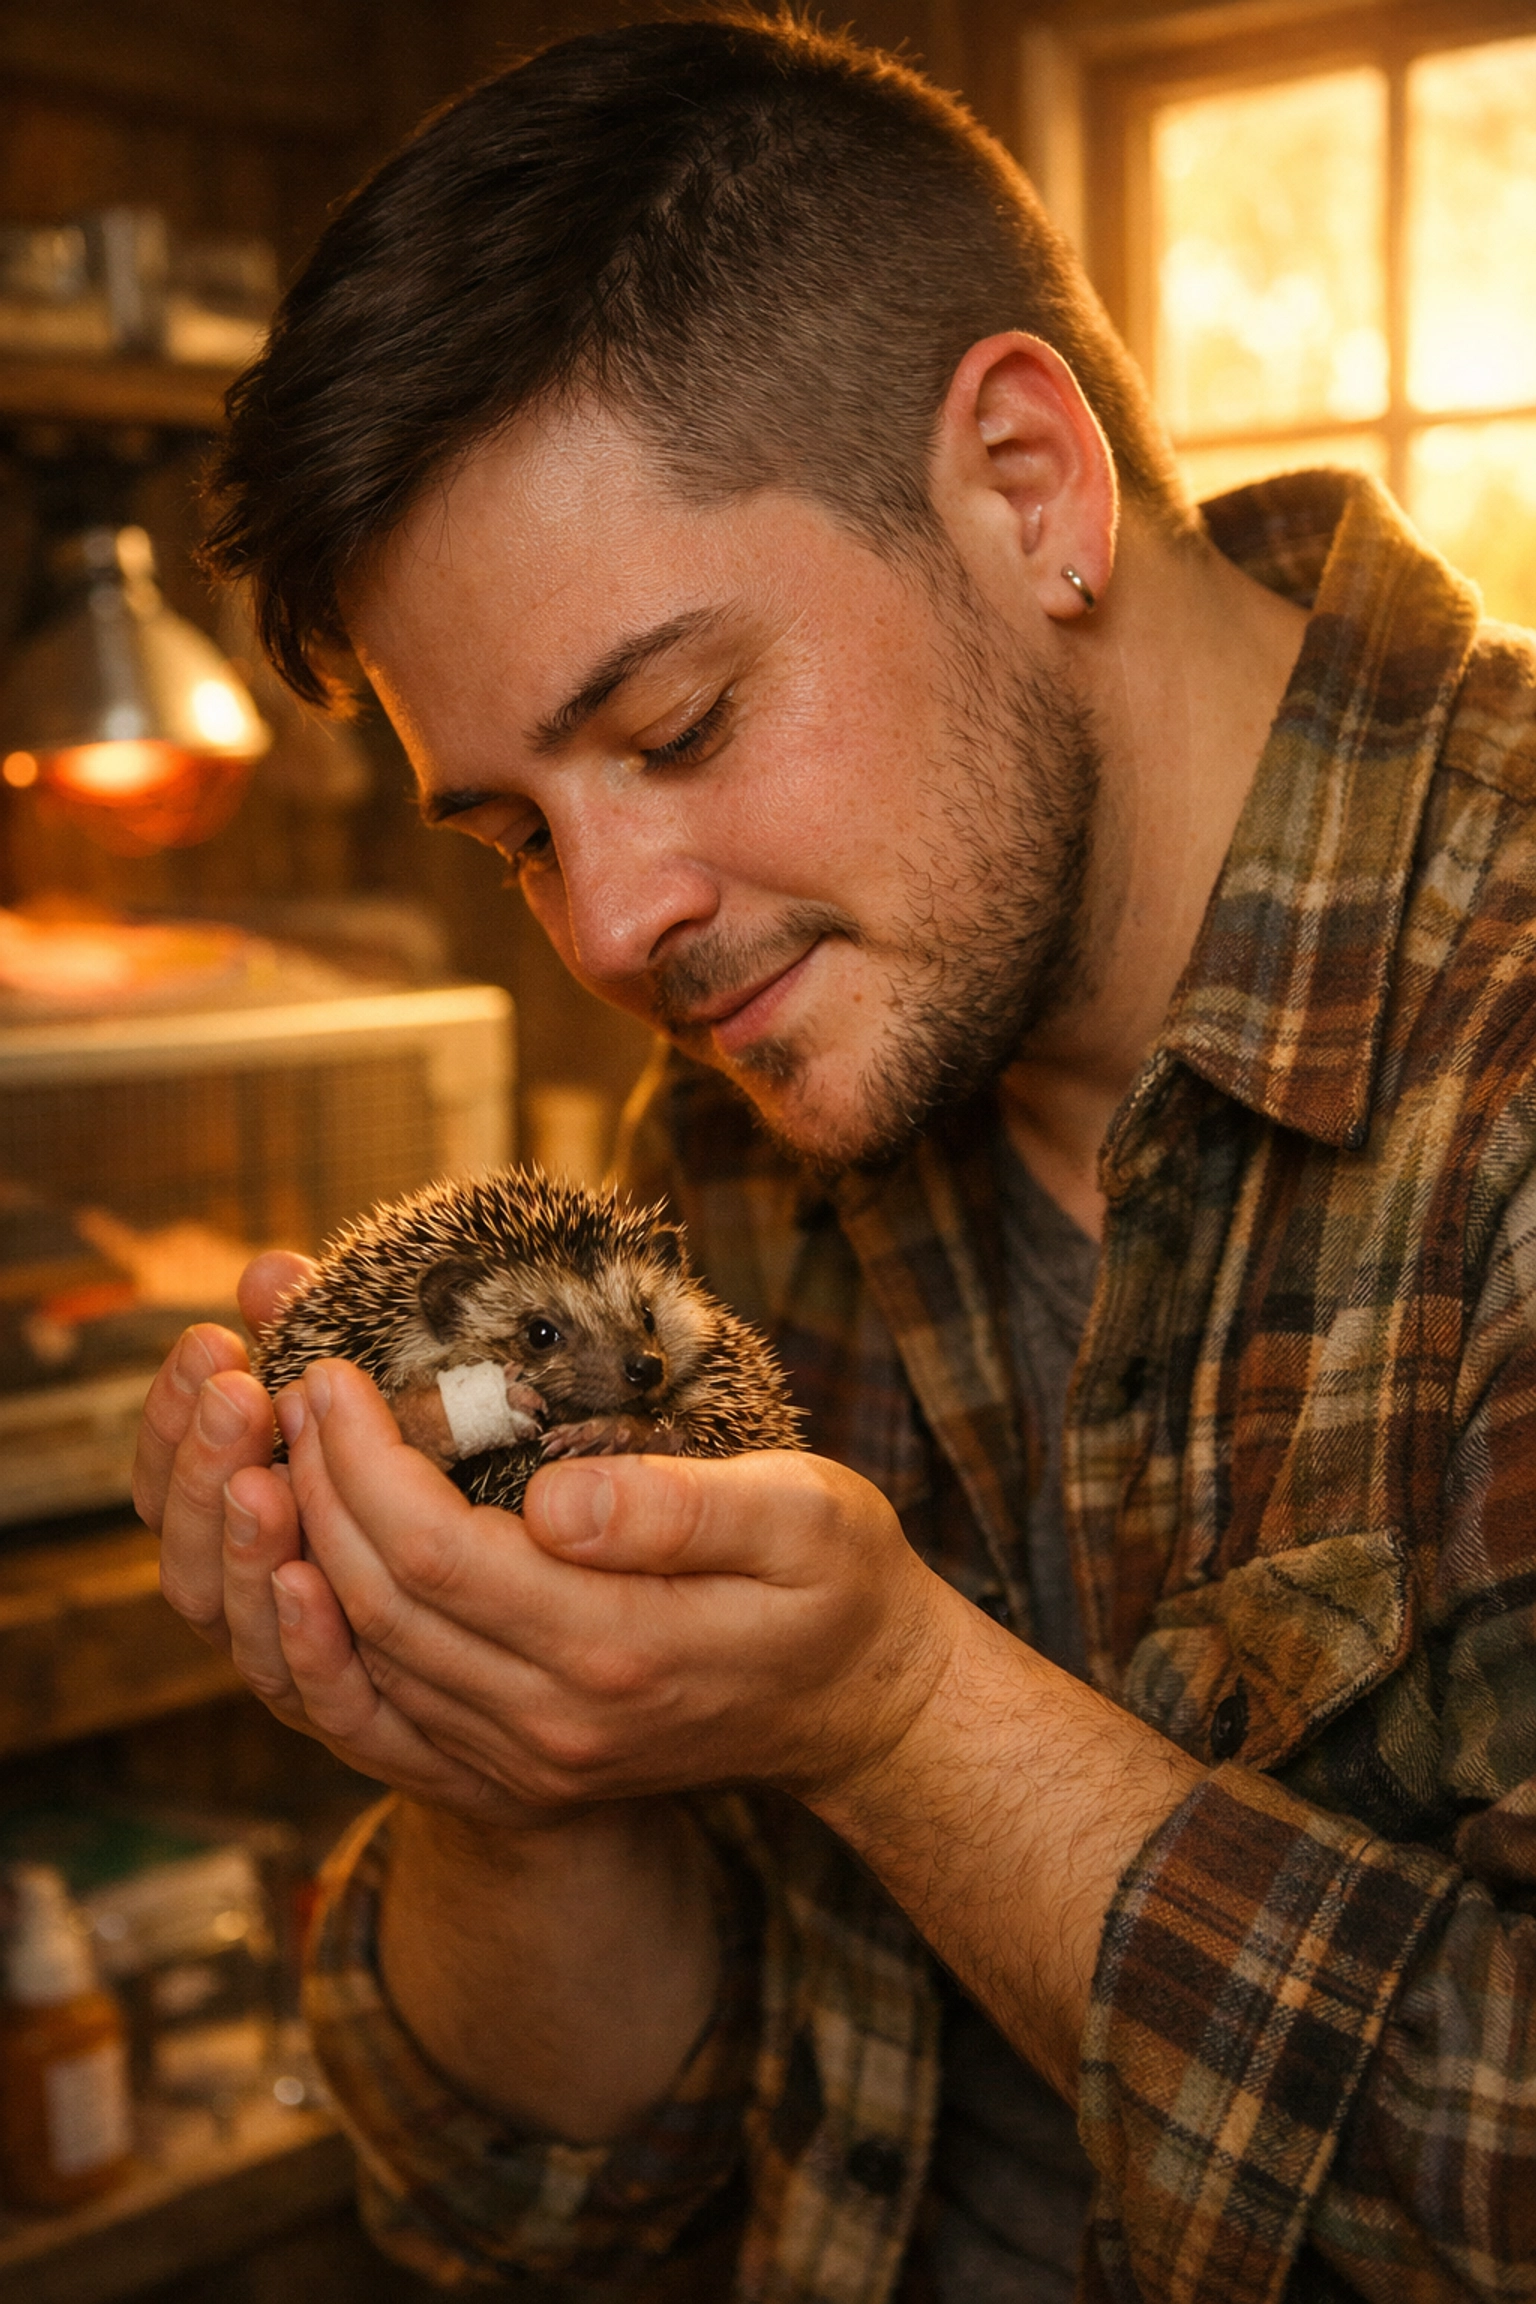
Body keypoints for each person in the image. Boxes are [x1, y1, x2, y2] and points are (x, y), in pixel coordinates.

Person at [132, 15, 1536, 2301]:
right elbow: (548, 2204)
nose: (607, 928)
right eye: (516, 836)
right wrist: (504, 1767)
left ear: (1024, 483)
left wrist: (895, 1709)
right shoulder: (744, 1122)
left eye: (676, 725)